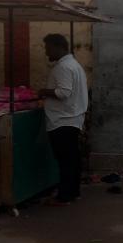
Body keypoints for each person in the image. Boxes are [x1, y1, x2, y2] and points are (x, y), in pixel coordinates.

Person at [38, 33, 88, 206]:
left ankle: (64, 196)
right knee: (72, 159)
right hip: (72, 118)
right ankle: (73, 192)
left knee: (65, 161)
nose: (46, 52)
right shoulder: (74, 65)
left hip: (62, 120)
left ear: (58, 47)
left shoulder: (64, 67)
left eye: (48, 48)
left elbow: (63, 92)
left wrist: (44, 91)